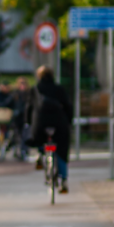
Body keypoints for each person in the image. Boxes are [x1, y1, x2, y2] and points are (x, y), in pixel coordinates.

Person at [25, 65, 73, 194]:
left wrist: (28, 123)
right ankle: (64, 180)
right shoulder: (59, 89)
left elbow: (29, 108)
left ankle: (40, 155)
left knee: (38, 139)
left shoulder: (35, 89)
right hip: (59, 123)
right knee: (62, 150)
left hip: (40, 123)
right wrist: (69, 122)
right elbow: (68, 106)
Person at [12, 77, 31, 161]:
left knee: (25, 135)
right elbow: (9, 102)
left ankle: (24, 151)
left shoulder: (29, 94)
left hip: (26, 118)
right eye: (21, 83)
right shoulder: (15, 94)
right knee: (17, 135)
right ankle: (18, 150)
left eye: (24, 83)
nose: (22, 85)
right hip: (17, 118)